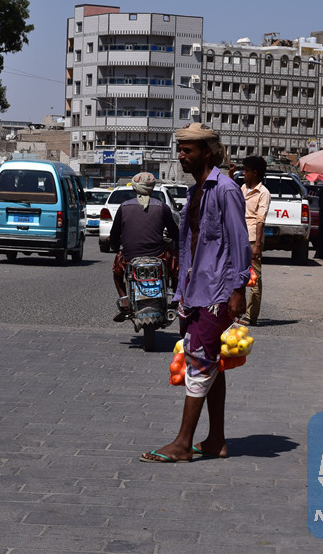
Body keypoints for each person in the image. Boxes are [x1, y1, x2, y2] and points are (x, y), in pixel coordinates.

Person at [140, 123, 250, 463]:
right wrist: (182, 292)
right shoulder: (195, 191)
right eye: (180, 149)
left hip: (217, 291)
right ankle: (216, 440)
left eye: (188, 150)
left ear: (207, 152)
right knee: (212, 362)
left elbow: (239, 240)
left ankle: (183, 443)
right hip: (194, 290)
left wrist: (239, 288)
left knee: (199, 362)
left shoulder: (225, 189)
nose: (181, 156)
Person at [109, 172, 179, 322]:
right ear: (151, 188)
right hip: (158, 256)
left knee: (117, 273)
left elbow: (114, 234)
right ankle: (175, 300)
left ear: (134, 188)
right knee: (176, 268)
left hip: (129, 258)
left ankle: (124, 300)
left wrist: (114, 245)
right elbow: (175, 233)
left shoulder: (124, 207)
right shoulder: (163, 207)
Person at [239, 156, 270, 326]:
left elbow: (260, 220)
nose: (244, 173)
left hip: (252, 238)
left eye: (247, 171)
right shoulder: (244, 188)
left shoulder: (263, 193)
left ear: (255, 173)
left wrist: (257, 245)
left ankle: (251, 316)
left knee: (254, 278)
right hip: (240, 236)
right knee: (237, 274)